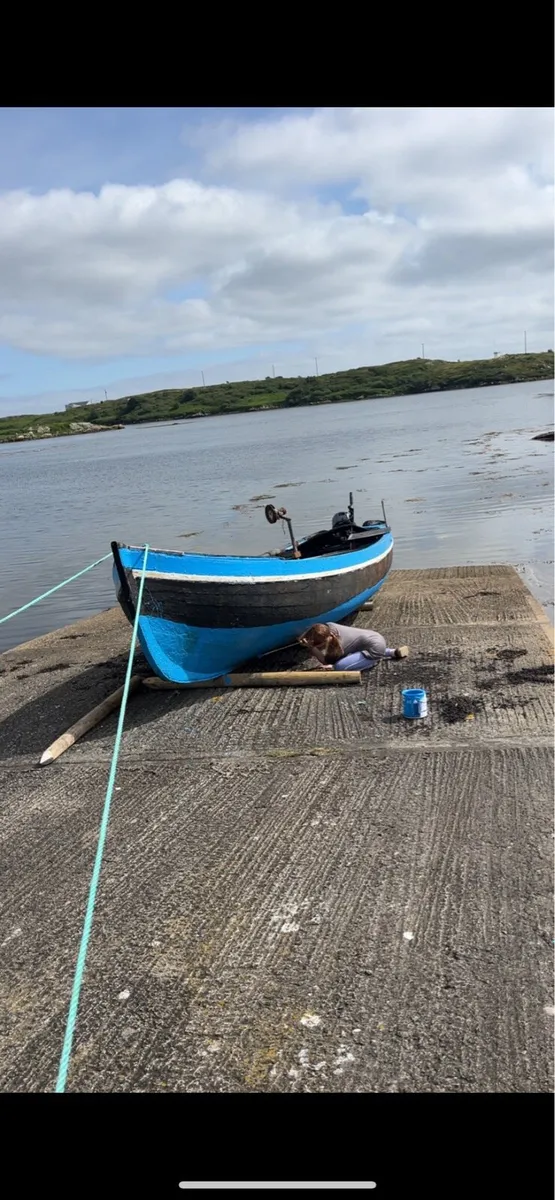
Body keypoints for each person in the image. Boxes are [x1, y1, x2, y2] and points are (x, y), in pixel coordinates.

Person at [298, 622, 408, 672]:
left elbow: (326, 662)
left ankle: (375, 659)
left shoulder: (339, 643)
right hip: (374, 639)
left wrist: (311, 648)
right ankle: (390, 652)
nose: (319, 647)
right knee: (349, 656)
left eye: (320, 645)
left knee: (339, 667)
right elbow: (314, 631)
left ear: (328, 638)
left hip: (373, 648)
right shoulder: (328, 627)